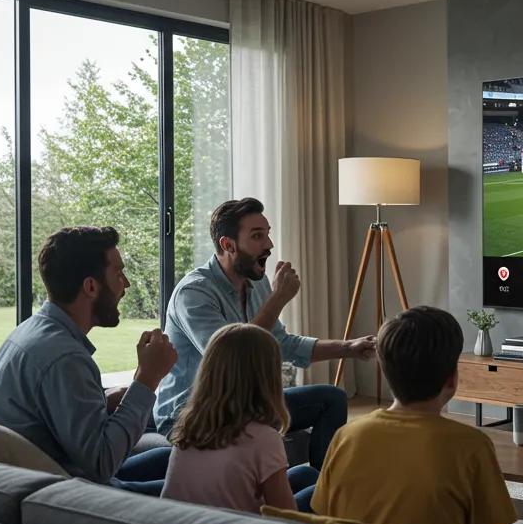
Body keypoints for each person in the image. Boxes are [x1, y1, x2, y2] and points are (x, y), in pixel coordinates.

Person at [155, 198, 375, 470]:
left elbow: (281, 343)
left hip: (244, 405)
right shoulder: (194, 293)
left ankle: (322, 489)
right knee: (264, 427)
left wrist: (348, 347)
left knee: (332, 398)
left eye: (267, 233)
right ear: (228, 244)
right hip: (193, 413)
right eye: (257, 236)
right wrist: (279, 298)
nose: (269, 245)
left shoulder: (255, 284)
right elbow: (229, 359)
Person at [0, 227, 177, 492]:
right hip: (73, 495)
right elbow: (101, 465)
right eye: (119, 273)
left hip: (57, 475)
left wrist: (104, 399)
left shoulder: (33, 330)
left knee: (175, 458)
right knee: (204, 484)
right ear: (90, 286)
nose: (127, 284)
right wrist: (147, 379)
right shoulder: (65, 357)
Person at [310, 306, 519, 524]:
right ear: (451, 379)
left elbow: (325, 518)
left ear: (386, 371)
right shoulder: (472, 445)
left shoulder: (346, 436)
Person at [161, 324, 320, 514]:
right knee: (321, 493)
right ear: (268, 378)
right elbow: (286, 517)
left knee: (305, 474)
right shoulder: (263, 438)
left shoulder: (188, 425)